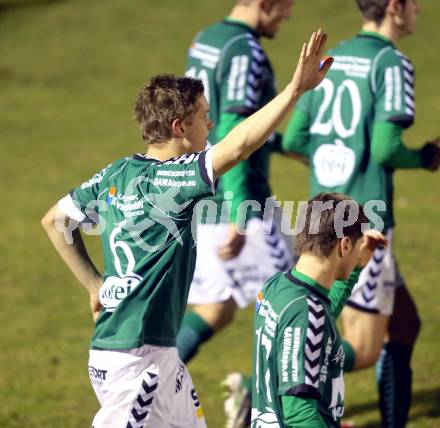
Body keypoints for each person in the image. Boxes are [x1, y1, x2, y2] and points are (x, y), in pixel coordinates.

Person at [41, 29, 332, 428]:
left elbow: (55, 221)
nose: (210, 124)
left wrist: (95, 285)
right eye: (203, 117)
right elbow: (240, 146)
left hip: (157, 354)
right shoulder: (175, 179)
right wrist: (295, 91)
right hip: (133, 362)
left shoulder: (118, 172)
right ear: (180, 127)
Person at [282, 1, 440, 426]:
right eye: (414, 4)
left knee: (405, 324)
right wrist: (426, 157)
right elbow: (388, 147)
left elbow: (295, 138)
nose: (419, 10)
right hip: (365, 223)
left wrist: (335, 163)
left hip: (324, 213)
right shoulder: (391, 63)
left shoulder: (335, 58)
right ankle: (264, 383)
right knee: (363, 345)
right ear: (394, 7)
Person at [178, 2, 296, 422]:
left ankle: (146, 385)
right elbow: (234, 129)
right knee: (300, 301)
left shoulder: (208, 38)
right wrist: (240, 212)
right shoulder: (246, 51)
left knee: (216, 308)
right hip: (238, 200)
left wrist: (285, 145)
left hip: (199, 192)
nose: (288, 15)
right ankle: (277, 409)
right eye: (285, 6)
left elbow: (215, 122)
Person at [252, 192, 387, 427]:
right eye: (357, 246)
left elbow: (319, 321)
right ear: (344, 245)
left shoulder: (277, 286)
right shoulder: (305, 311)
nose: (357, 253)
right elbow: (300, 414)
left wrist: (356, 268)